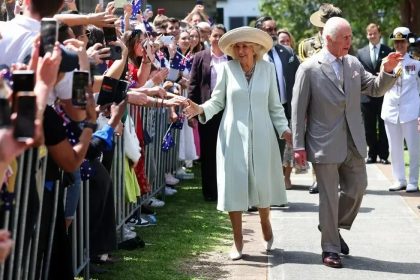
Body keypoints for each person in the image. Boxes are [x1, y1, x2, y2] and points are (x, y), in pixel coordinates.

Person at [292, 17, 401, 268]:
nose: (350, 42)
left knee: (358, 188)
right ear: (328, 39)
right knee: (329, 197)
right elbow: (298, 111)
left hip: (353, 140)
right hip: (323, 143)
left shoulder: (353, 63)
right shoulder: (309, 68)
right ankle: (329, 249)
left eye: (351, 37)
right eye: (345, 38)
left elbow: (374, 88)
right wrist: (298, 145)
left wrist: (387, 71)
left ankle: (329, 224)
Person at [184, 26, 292, 260]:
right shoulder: (226, 69)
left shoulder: (268, 69)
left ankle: (265, 220)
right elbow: (216, 101)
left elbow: (275, 106)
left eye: (246, 46)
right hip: (232, 135)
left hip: (263, 135)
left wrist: (284, 130)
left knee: (262, 184)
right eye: (238, 47)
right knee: (234, 186)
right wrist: (200, 109)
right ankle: (238, 240)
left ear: (255, 49)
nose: (241, 50)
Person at [297, 3, 342, 194]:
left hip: (335, 99)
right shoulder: (307, 45)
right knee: (316, 139)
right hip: (314, 99)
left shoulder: (342, 40)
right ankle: (317, 178)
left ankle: (336, 177)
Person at [255, 16, 299, 191]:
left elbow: (297, 81)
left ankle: (276, 190)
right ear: (260, 31)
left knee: (280, 153)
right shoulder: (254, 53)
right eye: (268, 30)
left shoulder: (287, 53)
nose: (273, 33)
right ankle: (262, 190)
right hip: (261, 111)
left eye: (274, 29)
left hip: (283, 111)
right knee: (262, 153)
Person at [188, 24, 228, 202]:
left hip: (228, 110)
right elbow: (193, 85)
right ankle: (210, 192)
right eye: (215, 35)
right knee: (209, 151)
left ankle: (227, 189)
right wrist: (192, 111)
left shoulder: (233, 58)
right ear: (209, 37)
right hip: (205, 110)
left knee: (228, 151)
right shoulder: (200, 57)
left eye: (221, 36)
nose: (217, 39)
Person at [381, 27, 420, 193]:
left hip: (411, 111)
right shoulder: (386, 61)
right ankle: (399, 179)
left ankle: (413, 180)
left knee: (413, 148)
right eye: (396, 42)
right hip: (390, 110)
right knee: (394, 148)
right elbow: (381, 83)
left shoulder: (416, 63)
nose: (399, 45)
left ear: (407, 42)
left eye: (402, 42)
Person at [356, 23, 391, 164]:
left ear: (379, 34)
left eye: (374, 33)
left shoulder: (388, 51)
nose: (372, 36)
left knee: (383, 126)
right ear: (367, 35)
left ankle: (383, 155)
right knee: (368, 127)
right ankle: (371, 154)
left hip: (383, 94)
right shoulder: (360, 52)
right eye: (369, 34)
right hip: (366, 96)